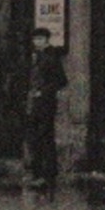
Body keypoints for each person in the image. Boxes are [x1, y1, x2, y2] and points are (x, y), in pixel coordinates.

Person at [25, 27, 68, 192]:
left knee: (45, 138)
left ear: (47, 40)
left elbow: (62, 81)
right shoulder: (35, 57)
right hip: (34, 104)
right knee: (34, 138)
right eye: (35, 39)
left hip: (45, 104)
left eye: (41, 39)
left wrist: (43, 91)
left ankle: (46, 175)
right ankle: (37, 175)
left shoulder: (52, 57)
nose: (37, 42)